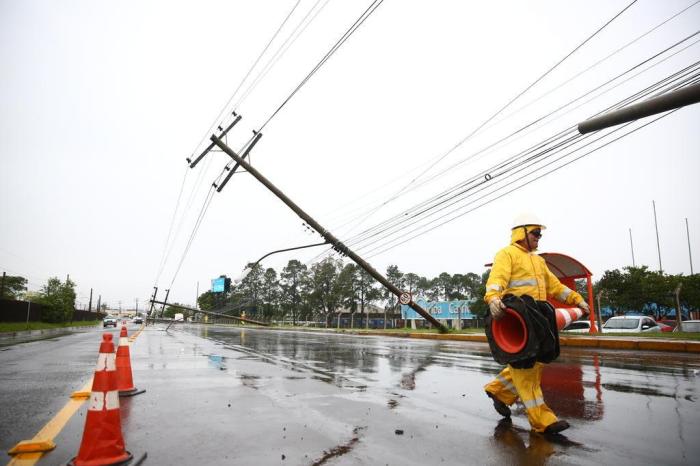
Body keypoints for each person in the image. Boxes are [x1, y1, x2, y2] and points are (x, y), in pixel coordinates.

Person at [483, 213, 590, 434]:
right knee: (527, 370)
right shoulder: (506, 254)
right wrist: (493, 298)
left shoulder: (538, 260)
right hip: (518, 319)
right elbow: (496, 280)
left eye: (540, 234)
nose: (539, 238)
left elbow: (555, 287)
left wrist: (577, 300)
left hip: (537, 319)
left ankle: (498, 390)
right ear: (521, 233)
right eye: (535, 233)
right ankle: (542, 420)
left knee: (535, 362)